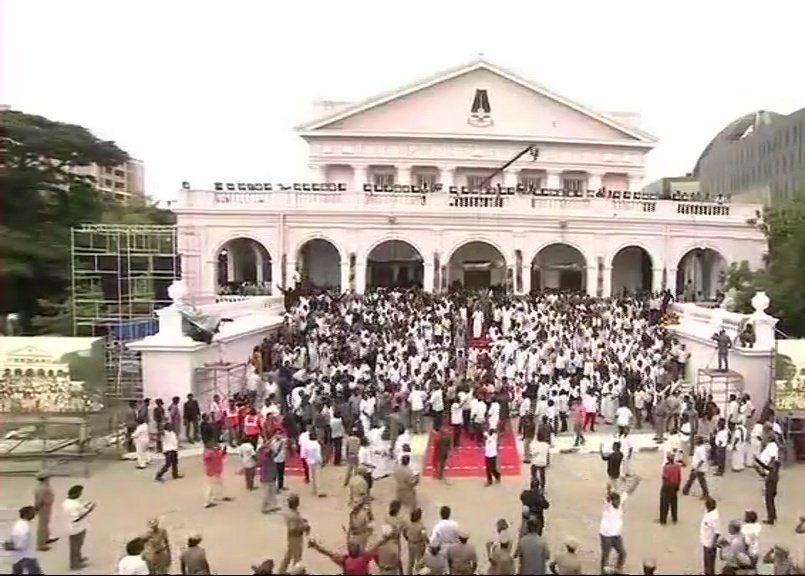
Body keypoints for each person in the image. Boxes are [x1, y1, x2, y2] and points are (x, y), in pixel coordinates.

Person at [307, 530, 394, 576]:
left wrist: (315, 546)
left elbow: (328, 553)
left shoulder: (344, 560)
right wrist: (386, 538)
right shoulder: (364, 557)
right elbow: (377, 544)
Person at [63, 484, 95, 570]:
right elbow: (76, 519)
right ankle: (75, 565)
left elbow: (78, 511)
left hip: (78, 527)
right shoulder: (73, 505)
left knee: (79, 544)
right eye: (80, 492)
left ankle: (78, 558)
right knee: (75, 546)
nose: (80, 494)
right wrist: (89, 511)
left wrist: (85, 507)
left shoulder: (68, 502)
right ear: (75, 493)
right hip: (76, 528)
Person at [278, 493, 310, 574]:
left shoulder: (290, 512)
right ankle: (296, 572)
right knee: (297, 557)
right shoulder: (293, 515)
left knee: (288, 555)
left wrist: (302, 521)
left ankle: (281, 571)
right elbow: (293, 528)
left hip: (292, 537)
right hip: (296, 537)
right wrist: (304, 527)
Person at [599, 489, 628, 573]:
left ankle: (618, 569)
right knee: (606, 555)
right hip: (606, 536)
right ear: (612, 501)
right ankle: (603, 571)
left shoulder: (620, 503)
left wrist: (636, 481)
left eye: (618, 501)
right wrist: (608, 491)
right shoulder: (607, 507)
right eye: (616, 501)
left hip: (617, 535)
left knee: (622, 553)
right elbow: (607, 499)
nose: (618, 503)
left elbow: (627, 492)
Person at [8, 506, 41, 575]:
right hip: (27, 556)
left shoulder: (18, 524)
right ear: (27, 515)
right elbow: (22, 541)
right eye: (33, 514)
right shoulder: (23, 526)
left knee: (17, 572)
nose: (34, 516)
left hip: (18, 556)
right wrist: (19, 547)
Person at [33, 470, 58, 551]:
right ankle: (40, 544)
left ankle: (46, 538)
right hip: (43, 508)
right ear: (44, 478)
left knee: (45, 524)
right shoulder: (42, 488)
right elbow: (39, 501)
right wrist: (37, 509)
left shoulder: (44, 486)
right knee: (42, 526)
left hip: (47, 507)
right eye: (48, 478)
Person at [203, 444, 232, 508]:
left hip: (216, 471)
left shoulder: (214, 452)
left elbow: (219, 457)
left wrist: (223, 451)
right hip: (212, 472)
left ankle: (215, 497)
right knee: (211, 486)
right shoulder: (210, 452)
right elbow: (208, 460)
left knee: (218, 484)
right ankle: (207, 502)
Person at [403, 507, 427, 575]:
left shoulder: (407, 523)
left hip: (410, 543)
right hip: (418, 544)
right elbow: (424, 535)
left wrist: (407, 538)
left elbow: (404, 531)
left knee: (410, 561)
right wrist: (428, 542)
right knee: (420, 561)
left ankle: (409, 573)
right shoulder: (421, 525)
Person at [756, 456, 780, 524]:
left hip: (770, 491)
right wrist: (757, 461)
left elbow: (764, 476)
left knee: (769, 505)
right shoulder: (774, 472)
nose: (770, 464)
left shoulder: (772, 475)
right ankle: (774, 516)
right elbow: (765, 466)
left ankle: (770, 519)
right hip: (772, 491)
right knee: (772, 504)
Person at [659, 452, 682, 525]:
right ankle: (674, 518)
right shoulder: (678, 466)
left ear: (667, 459)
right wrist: (678, 486)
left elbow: (665, 477)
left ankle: (663, 520)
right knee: (674, 502)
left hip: (667, 486)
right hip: (675, 486)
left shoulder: (666, 467)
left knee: (664, 503)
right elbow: (679, 477)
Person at [700, 497, 720, 575]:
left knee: (710, 564)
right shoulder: (708, 512)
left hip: (709, 544)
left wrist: (712, 545)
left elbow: (717, 533)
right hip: (705, 542)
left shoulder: (714, 517)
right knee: (707, 563)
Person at [259, 438, 280, 513]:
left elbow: (275, 453)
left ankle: (272, 506)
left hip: (271, 476)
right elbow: (274, 454)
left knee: (272, 492)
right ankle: (264, 508)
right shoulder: (264, 455)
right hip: (266, 477)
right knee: (266, 493)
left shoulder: (268, 454)